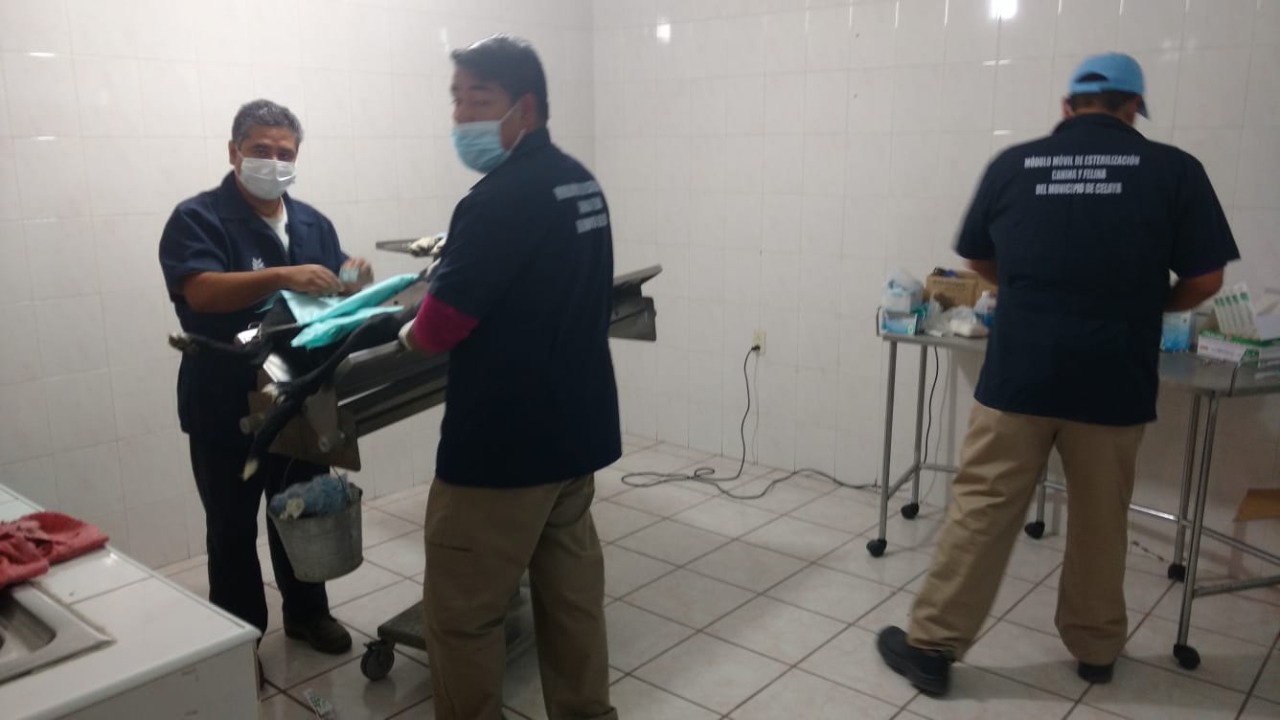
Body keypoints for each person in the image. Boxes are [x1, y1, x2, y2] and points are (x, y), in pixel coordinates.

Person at [876, 53, 1240, 696]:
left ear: (1067, 107)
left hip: (1020, 373)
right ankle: (1096, 650)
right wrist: (1149, 304)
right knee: (1101, 519)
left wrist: (1026, 290)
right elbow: (1207, 279)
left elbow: (976, 258)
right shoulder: (1174, 170)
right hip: (1114, 376)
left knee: (982, 509)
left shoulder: (1013, 164)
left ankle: (932, 648)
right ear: (1134, 108)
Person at [400, 36, 620, 720]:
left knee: (463, 616)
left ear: (525, 108)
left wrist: (407, 332)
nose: (462, 114)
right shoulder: (579, 182)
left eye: (479, 99)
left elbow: (439, 326)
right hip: (573, 435)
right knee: (571, 601)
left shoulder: (496, 200)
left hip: (502, 451)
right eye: (457, 99)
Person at [159, 99, 373, 659]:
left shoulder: (312, 223)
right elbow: (200, 291)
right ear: (234, 152)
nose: (274, 162)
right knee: (232, 529)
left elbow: (331, 285)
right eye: (261, 150)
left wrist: (353, 279)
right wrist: (281, 275)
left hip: (299, 393)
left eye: (285, 153)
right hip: (225, 398)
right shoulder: (198, 218)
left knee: (300, 506)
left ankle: (307, 613)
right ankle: (241, 641)